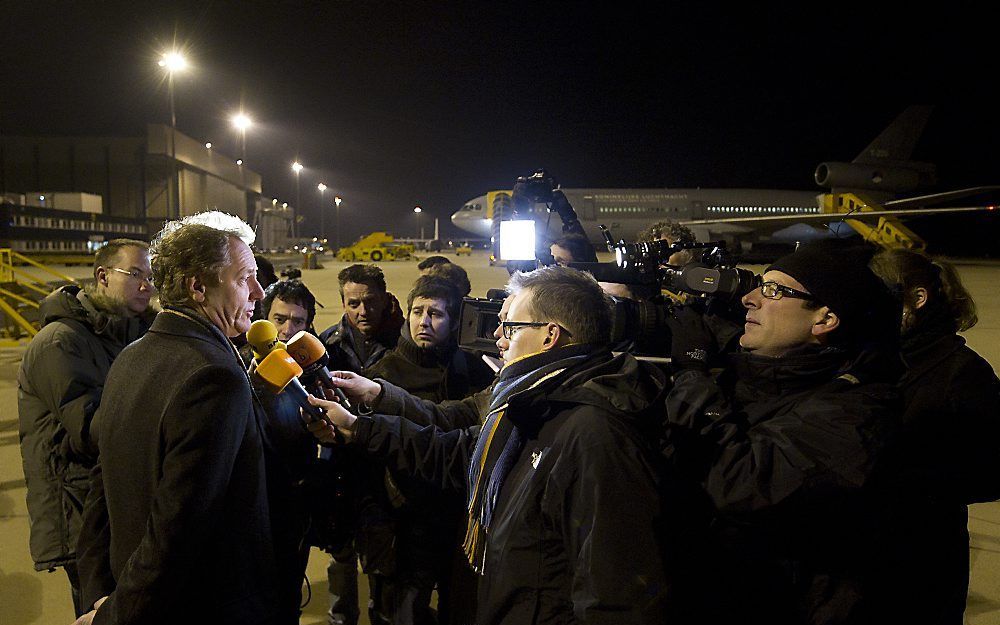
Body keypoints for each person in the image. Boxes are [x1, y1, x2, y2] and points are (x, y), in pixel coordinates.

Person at [310, 265, 671, 625]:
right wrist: (358, 426)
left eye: (510, 326)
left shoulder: (594, 433)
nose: (497, 336)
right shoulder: (529, 402)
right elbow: (451, 451)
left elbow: (615, 596)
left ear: (550, 336)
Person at [663, 240, 901, 624]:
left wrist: (692, 372)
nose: (750, 299)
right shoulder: (759, 379)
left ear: (825, 319)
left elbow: (740, 482)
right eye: (759, 285)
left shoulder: (856, 415)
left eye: (773, 291)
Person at [72, 212, 280, 625]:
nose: (259, 291)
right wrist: (112, 617)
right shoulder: (214, 376)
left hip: (129, 596)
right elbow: (178, 529)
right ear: (197, 287)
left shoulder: (130, 357)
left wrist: (97, 597)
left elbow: (100, 495)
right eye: (244, 278)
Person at [18, 239, 155, 617]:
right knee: (97, 609)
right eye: (137, 275)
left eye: (151, 277)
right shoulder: (61, 342)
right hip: (80, 511)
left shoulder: (129, 332)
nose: (147, 285)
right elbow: (90, 427)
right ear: (103, 276)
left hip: (113, 500)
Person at [868, 249, 1000, 624]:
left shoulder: (961, 373)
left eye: (879, 296)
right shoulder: (885, 357)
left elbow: (992, 470)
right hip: (877, 553)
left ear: (917, 299)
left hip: (924, 558)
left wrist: (908, 477)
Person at [365, 276, 494, 625]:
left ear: (454, 321)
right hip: (406, 522)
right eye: (417, 311)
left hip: (459, 517)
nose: (423, 321)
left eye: (435, 314)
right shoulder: (382, 374)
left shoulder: (474, 369)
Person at [317, 263, 404, 625]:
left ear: (384, 299)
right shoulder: (325, 345)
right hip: (341, 468)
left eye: (370, 301)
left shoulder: (404, 343)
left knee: (383, 564)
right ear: (342, 302)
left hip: (387, 469)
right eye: (353, 303)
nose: (362, 311)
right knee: (340, 556)